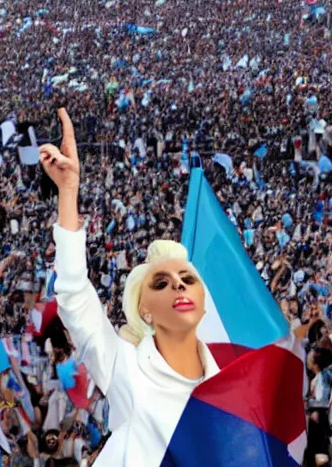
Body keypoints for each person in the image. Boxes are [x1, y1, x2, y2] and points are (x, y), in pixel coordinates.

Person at [40, 109, 221, 466]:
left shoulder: (226, 387)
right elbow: (74, 293)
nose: (179, 287)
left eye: (188, 280)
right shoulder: (125, 367)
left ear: (202, 303)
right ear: (144, 309)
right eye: (162, 282)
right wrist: (69, 191)